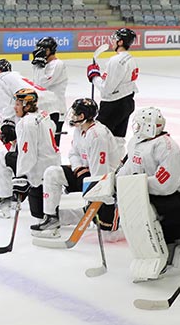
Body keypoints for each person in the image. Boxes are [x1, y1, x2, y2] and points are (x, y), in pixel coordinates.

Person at [113, 107, 180, 274]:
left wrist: (135, 184)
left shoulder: (168, 147)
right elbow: (129, 167)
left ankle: (168, 245)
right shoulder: (137, 142)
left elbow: (166, 185)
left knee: (150, 211)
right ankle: (157, 248)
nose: (136, 128)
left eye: (139, 125)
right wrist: (116, 182)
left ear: (149, 126)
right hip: (163, 195)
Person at [34, 98, 122, 236]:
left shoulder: (98, 135)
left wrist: (87, 181)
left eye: (75, 113)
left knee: (109, 235)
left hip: (107, 184)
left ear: (82, 116)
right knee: (52, 173)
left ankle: (98, 213)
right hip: (84, 174)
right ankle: (51, 218)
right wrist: (79, 169)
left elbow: (100, 173)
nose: (72, 116)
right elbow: (73, 153)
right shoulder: (80, 129)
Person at [0, 88, 61, 220]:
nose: (15, 107)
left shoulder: (26, 123)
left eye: (18, 104)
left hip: (38, 167)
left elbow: (28, 155)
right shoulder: (44, 115)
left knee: (3, 156)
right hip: (53, 164)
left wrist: (21, 176)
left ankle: (5, 200)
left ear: (27, 105)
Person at [87, 27, 138, 153]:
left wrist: (94, 77)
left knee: (97, 134)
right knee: (118, 139)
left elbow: (107, 89)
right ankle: (117, 165)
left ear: (120, 42)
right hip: (127, 102)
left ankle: (100, 164)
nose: (112, 41)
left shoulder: (116, 61)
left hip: (113, 105)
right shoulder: (130, 58)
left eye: (115, 39)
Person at [0, 59, 63, 139]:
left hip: (36, 110)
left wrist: (7, 123)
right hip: (52, 108)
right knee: (45, 146)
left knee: (26, 145)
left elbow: (7, 105)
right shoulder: (15, 77)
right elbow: (13, 102)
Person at [31, 36, 68, 135]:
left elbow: (42, 84)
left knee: (53, 144)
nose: (38, 51)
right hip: (44, 109)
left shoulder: (58, 64)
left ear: (49, 50)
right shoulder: (42, 64)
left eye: (41, 49)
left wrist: (39, 66)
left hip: (56, 110)